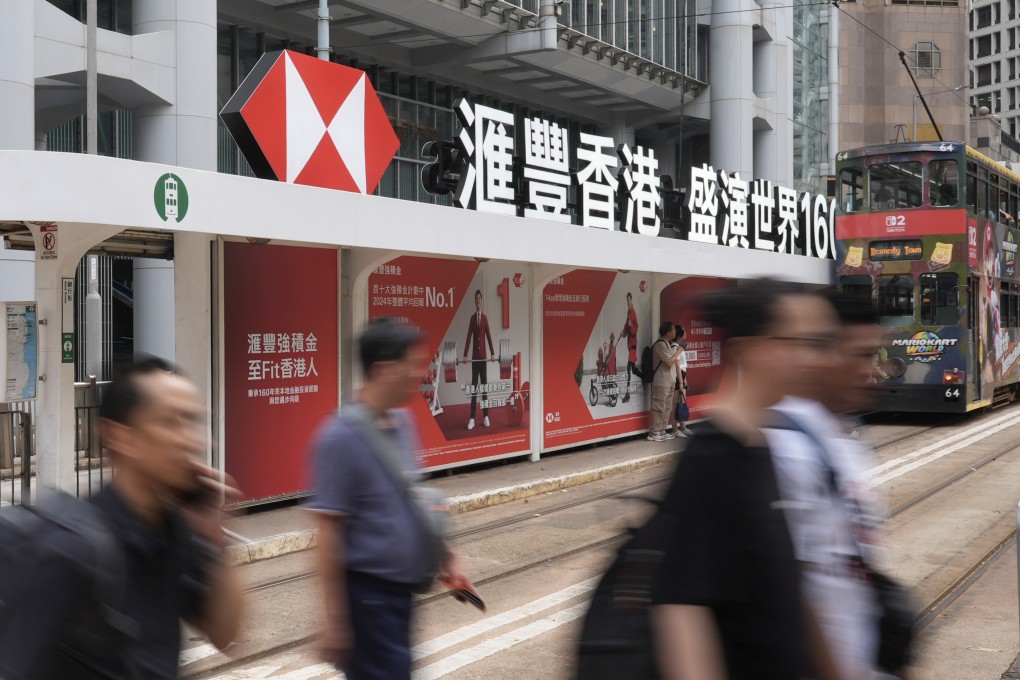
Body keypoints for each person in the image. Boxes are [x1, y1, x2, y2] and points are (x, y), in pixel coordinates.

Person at [0, 358, 244, 679]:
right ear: (120, 437)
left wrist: (217, 540)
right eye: (172, 422)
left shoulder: (175, 531)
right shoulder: (70, 550)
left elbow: (225, 634)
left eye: (194, 421)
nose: (195, 440)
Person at [652, 280, 840, 680]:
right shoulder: (711, 458)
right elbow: (682, 609)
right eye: (797, 342)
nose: (811, 359)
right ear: (751, 349)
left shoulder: (762, 444)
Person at [309, 318, 469, 680]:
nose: (420, 373)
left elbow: (412, 500)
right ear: (384, 369)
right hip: (368, 600)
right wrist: (334, 621)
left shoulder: (403, 422)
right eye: (412, 364)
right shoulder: (339, 438)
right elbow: (327, 537)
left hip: (402, 596)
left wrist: (447, 556)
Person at [765, 294, 897, 680]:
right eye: (861, 355)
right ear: (824, 353)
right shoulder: (786, 447)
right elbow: (791, 590)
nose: (872, 371)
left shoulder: (843, 439)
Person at [463, 289, 495, 430]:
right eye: (476, 299)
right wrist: (465, 354)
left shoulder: (485, 318)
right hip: (475, 359)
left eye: (479, 299)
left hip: (483, 358)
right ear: (474, 301)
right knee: (474, 388)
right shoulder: (471, 318)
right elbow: (469, 336)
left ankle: (486, 416)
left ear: (482, 301)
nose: (478, 301)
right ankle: (472, 418)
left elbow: (488, 336)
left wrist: (493, 353)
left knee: (484, 388)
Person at [648, 321, 682, 442]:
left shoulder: (667, 344)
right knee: (659, 406)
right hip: (661, 381)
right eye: (673, 330)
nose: (675, 332)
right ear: (668, 332)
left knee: (667, 407)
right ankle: (654, 432)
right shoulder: (660, 345)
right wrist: (678, 352)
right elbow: (668, 362)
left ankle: (661, 430)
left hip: (669, 381)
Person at [665, 330, 692, 438]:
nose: (686, 333)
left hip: (681, 378)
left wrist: (685, 382)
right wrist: (681, 382)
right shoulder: (675, 348)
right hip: (677, 379)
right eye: (683, 331)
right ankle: (675, 429)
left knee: (681, 403)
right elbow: (677, 367)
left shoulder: (679, 347)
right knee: (675, 405)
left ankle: (683, 427)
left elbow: (682, 367)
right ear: (680, 335)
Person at [620, 292, 639, 403]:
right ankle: (644, 376)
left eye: (629, 300)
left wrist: (631, 327)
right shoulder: (628, 312)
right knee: (634, 369)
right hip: (630, 344)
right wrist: (623, 333)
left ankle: (627, 395)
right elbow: (626, 325)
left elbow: (635, 328)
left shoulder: (633, 312)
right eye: (627, 300)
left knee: (628, 369)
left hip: (633, 344)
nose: (628, 302)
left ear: (632, 300)